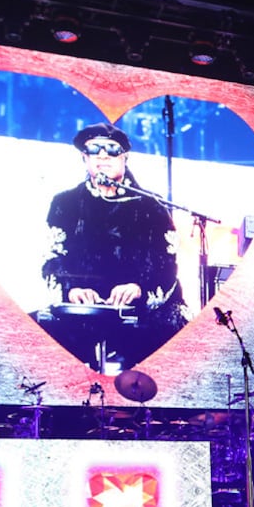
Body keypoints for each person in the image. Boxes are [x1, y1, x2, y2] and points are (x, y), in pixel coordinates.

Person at [39, 123, 189, 371]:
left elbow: (167, 265)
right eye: (94, 149)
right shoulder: (64, 203)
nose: (102, 156)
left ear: (125, 157)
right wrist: (72, 289)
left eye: (111, 150)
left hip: (145, 312)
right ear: (84, 157)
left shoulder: (152, 206)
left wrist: (139, 288)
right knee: (42, 333)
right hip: (83, 310)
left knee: (167, 338)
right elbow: (52, 259)